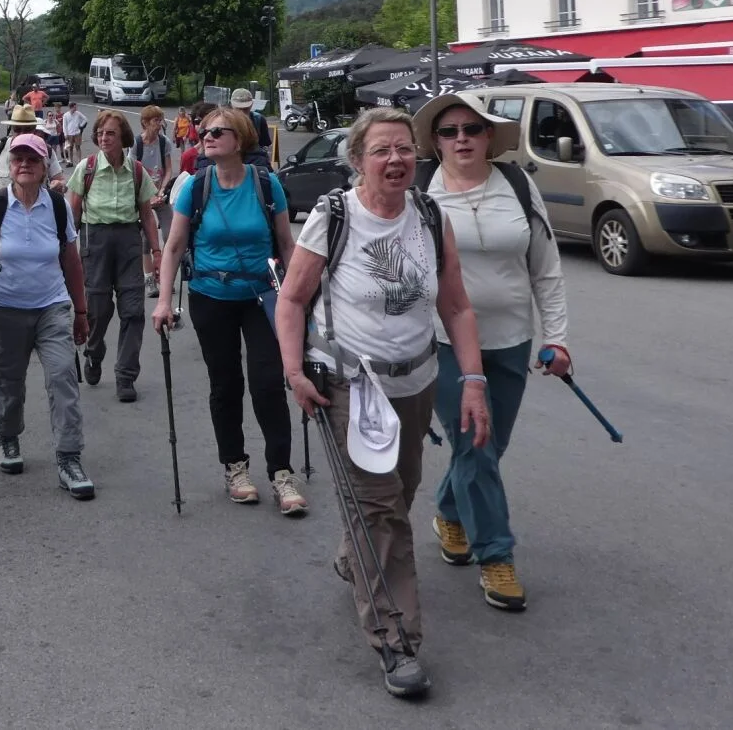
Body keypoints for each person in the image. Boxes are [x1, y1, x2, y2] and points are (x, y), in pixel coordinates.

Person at [273, 107, 491, 699]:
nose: (396, 160)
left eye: (404, 150)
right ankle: (396, 640)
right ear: (358, 160)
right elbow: (292, 300)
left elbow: (456, 307)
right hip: (352, 389)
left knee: (402, 490)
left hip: (415, 384)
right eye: (382, 151)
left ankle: (357, 556)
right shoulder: (334, 217)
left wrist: (473, 381)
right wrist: (294, 370)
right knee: (383, 513)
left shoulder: (428, 215)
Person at [414, 93, 568, 612]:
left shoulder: (519, 187)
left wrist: (557, 337)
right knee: (476, 443)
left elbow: (545, 267)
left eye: (472, 130)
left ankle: (449, 513)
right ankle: (496, 555)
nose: (462, 139)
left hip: (511, 339)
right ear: (435, 142)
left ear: (488, 137)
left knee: (486, 447)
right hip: (443, 342)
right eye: (450, 131)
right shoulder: (421, 195)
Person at [153, 107, 305, 515]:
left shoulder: (266, 184)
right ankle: (235, 466)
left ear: (239, 139)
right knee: (226, 385)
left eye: (218, 131)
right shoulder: (195, 187)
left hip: (261, 296)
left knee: (269, 382)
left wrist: (299, 297)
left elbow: (287, 245)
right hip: (210, 295)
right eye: (204, 131)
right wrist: (165, 299)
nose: (207, 136)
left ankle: (281, 473)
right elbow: (173, 246)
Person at [0, 133, 93, 498]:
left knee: (63, 376)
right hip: (3, 305)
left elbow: (71, 258)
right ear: (10, 165)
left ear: (43, 167)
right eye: (18, 159)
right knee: (9, 381)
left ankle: (69, 457)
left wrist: (80, 310)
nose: (24, 165)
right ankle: (8, 437)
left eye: (32, 160)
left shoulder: (57, 206)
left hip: (51, 305)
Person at [68, 109, 162, 402]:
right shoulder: (87, 167)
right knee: (98, 311)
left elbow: (146, 215)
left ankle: (125, 376)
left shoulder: (136, 171)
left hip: (128, 242)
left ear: (122, 137)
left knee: (133, 311)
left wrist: (157, 250)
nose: (104, 138)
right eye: (100, 133)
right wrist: (67, 251)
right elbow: (73, 212)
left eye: (110, 133)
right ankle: (94, 355)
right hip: (95, 242)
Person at [132, 105, 178, 297]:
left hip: (161, 193)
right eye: (156, 121)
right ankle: (149, 279)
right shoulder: (136, 144)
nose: (160, 124)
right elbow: (133, 171)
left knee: (170, 236)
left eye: (161, 120)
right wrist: (148, 196)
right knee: (145, 240)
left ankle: (165, 276)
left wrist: (161, 190)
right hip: (143, 196)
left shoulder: (163, 142)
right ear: (145, 123)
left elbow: (168, 169)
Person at [0, 105, 66, 200]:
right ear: (11, 129)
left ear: (34, 130)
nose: (22, 134)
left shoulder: (45, 150)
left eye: (27, 130)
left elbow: (60, 180)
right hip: (2, 212)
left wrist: (60, 185)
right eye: (17, 130)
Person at [229, 88, 272, 165]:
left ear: (252, 104)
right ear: (231, 104)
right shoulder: (223, 121)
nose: (242, 112)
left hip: (254, 161)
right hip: (229, 158)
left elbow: (264, 144)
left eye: (245, 108)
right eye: (238, 108)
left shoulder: (259, 119)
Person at [59, 102, 87, 166]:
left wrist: (81, 125)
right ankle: (71, 161)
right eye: (75, 107)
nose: (76, 108)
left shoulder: (78, 113)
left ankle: (79, 161)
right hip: (69, 133)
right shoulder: (66, 115)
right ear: (71, 107)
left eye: (76, 107)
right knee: (70, 148)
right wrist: (65, 134)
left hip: (77, 133)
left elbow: (85, 119)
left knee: (78, 147)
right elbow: (64, 125)